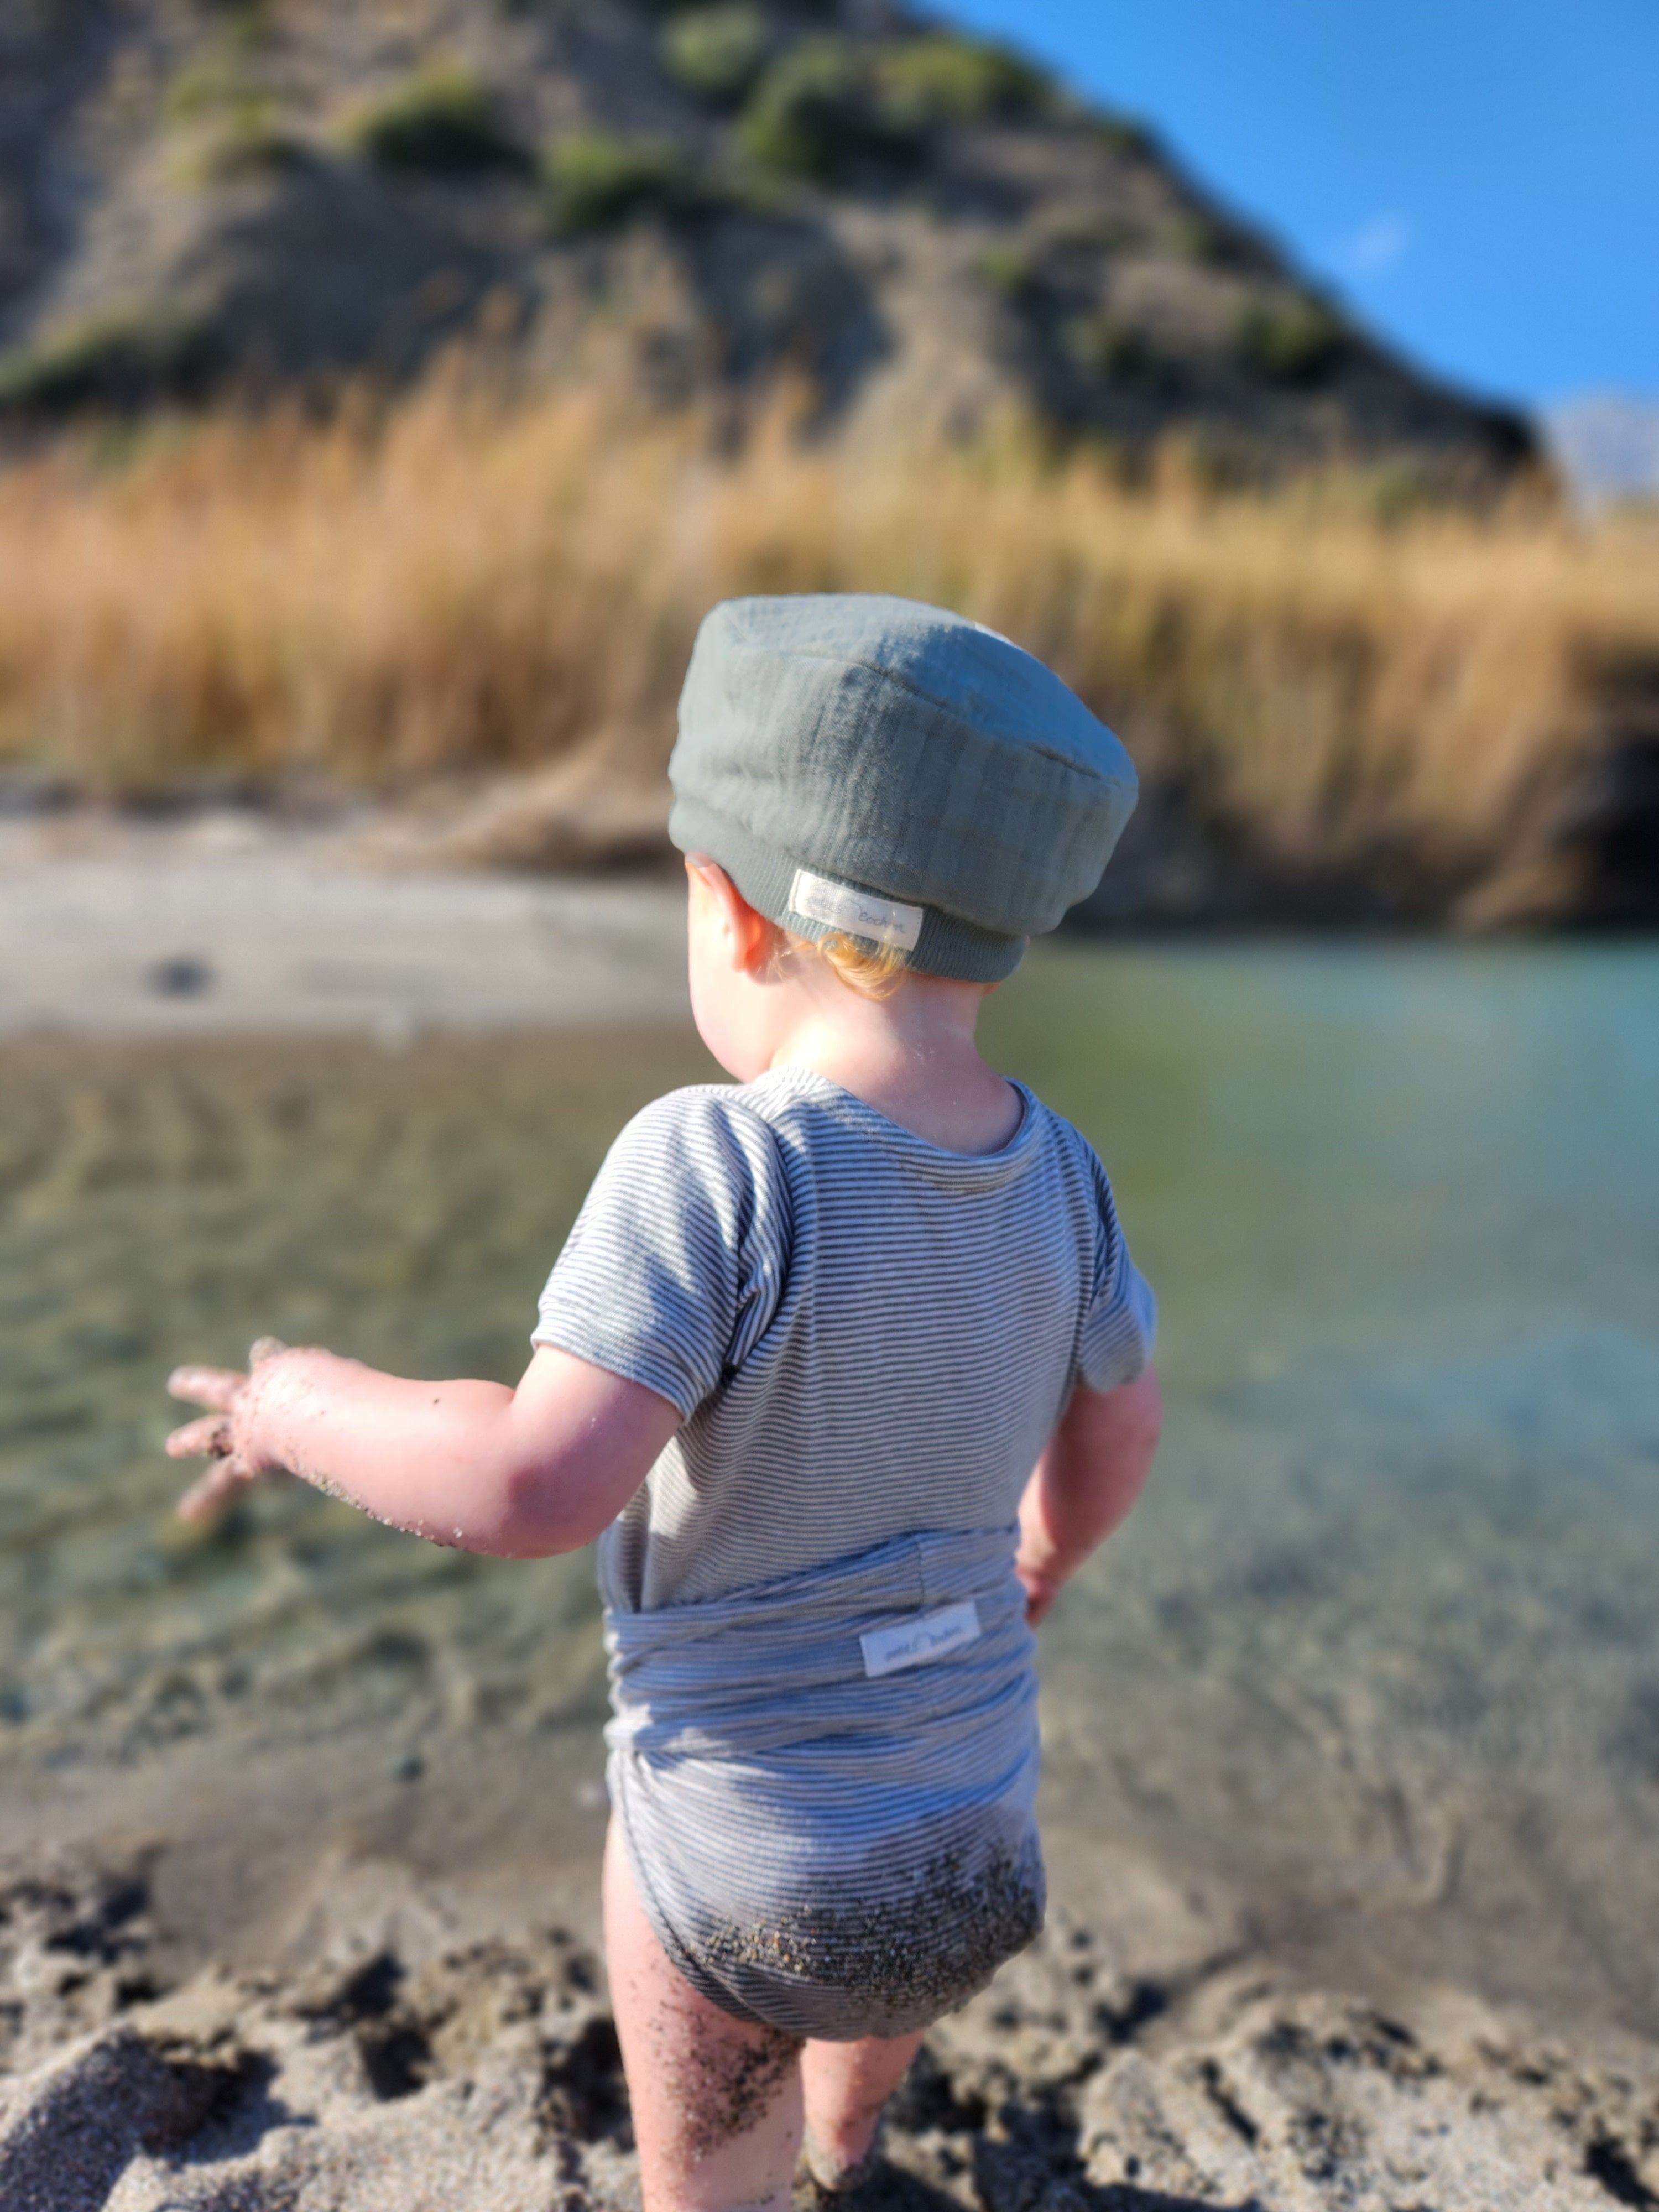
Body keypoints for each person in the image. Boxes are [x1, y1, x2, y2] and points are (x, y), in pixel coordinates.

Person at [166, 594, 1164, 2212]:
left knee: (713, 2152)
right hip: (981, 1832)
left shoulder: (720, 1160)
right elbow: (1123, 1425)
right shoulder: (1069, 1180)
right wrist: (1046, 1560)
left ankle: (772, 2172)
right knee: (876, 2002)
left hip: (753, 1862)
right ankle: (854, 2142)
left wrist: (297, 1404)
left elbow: (527, 1486)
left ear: (731, 907)